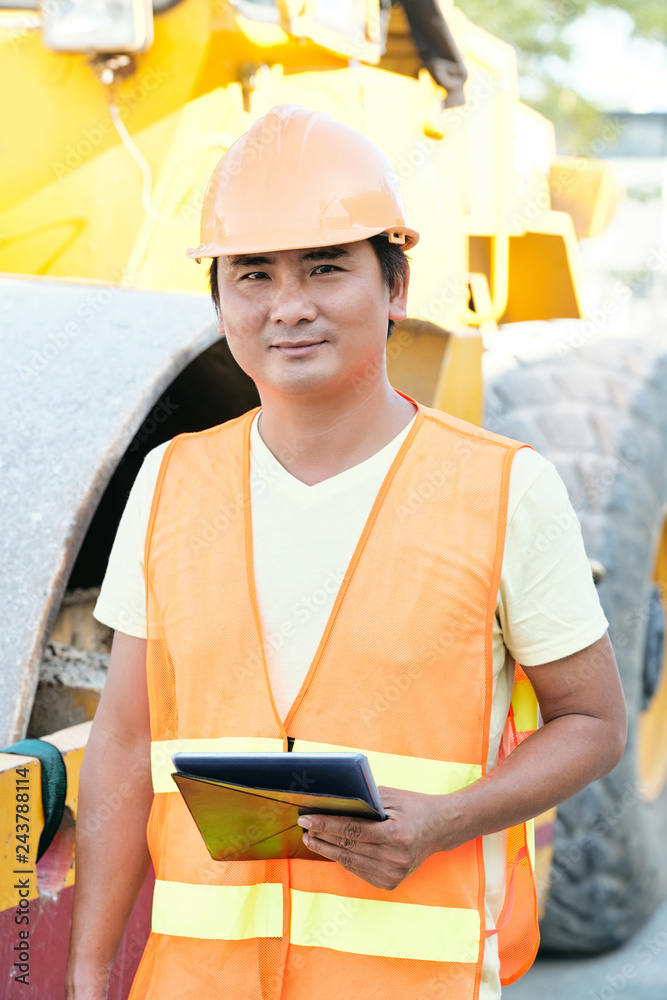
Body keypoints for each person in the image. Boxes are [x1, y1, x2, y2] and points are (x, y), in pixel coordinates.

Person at [65, 104, 627, 1000]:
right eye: (253, 275)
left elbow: (592, 721)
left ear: (394, 288)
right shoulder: (172, 482)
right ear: (220, 300)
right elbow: (125, 743)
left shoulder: (502, 490)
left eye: (325, 268)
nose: (288, 306)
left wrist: (446, 821)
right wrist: (89, 973)